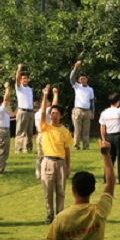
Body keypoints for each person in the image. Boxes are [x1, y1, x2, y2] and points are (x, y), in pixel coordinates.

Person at [39, 85, 73, 224]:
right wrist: (45, 95)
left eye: (56, 113)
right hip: (47, 162)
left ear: (61, 116)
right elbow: (42, 113)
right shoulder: (45, 126)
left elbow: (67, 150)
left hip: (60, 163)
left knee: (60, 191)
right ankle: (49, 214)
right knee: (48, 191)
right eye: (52, 113)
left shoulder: (65, 131)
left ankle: (60, 213)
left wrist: (68, 166)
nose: (54, 115)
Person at [35, 88, 60, 180]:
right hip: (43, 135)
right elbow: (54, 105)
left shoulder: (45, 112)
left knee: (49, 154)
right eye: (47, 103)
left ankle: (45, 172)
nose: (48, 105)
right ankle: (39, 172)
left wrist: (54, 95)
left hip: (48, 135)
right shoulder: (39, 113)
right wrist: (55, 94)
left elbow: (54, 106)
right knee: (41, 154)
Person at [70, 60, 95, 150]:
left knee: (86, 131)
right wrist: (76, 67)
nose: (82, 80)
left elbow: (92, 101)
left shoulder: (90, 89)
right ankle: (76, 146)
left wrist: (93, 112)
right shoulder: (77, 86)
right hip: (78, 110)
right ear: (79, 80)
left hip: (87, 111)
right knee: (77, 130)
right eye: (81, 79)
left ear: (86, 79)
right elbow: (71, 78)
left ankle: (86, 146)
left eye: (84, 78)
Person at [14, 64, 35, 153]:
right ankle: (18, 149)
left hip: (30, 112)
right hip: (22, 111)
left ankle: (29, 149)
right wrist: (19, 69)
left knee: (29, 133)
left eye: (26, 78)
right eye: (23, 79)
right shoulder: (19, 88)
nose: (25, 80)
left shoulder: (30, 89)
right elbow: (17, 79)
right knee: (21, 132)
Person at [0, 81, 12, 174]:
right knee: (3, 151)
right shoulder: (1, 110)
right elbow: (6, 99)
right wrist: (7, 89)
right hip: (3, 131)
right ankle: (0, 169)